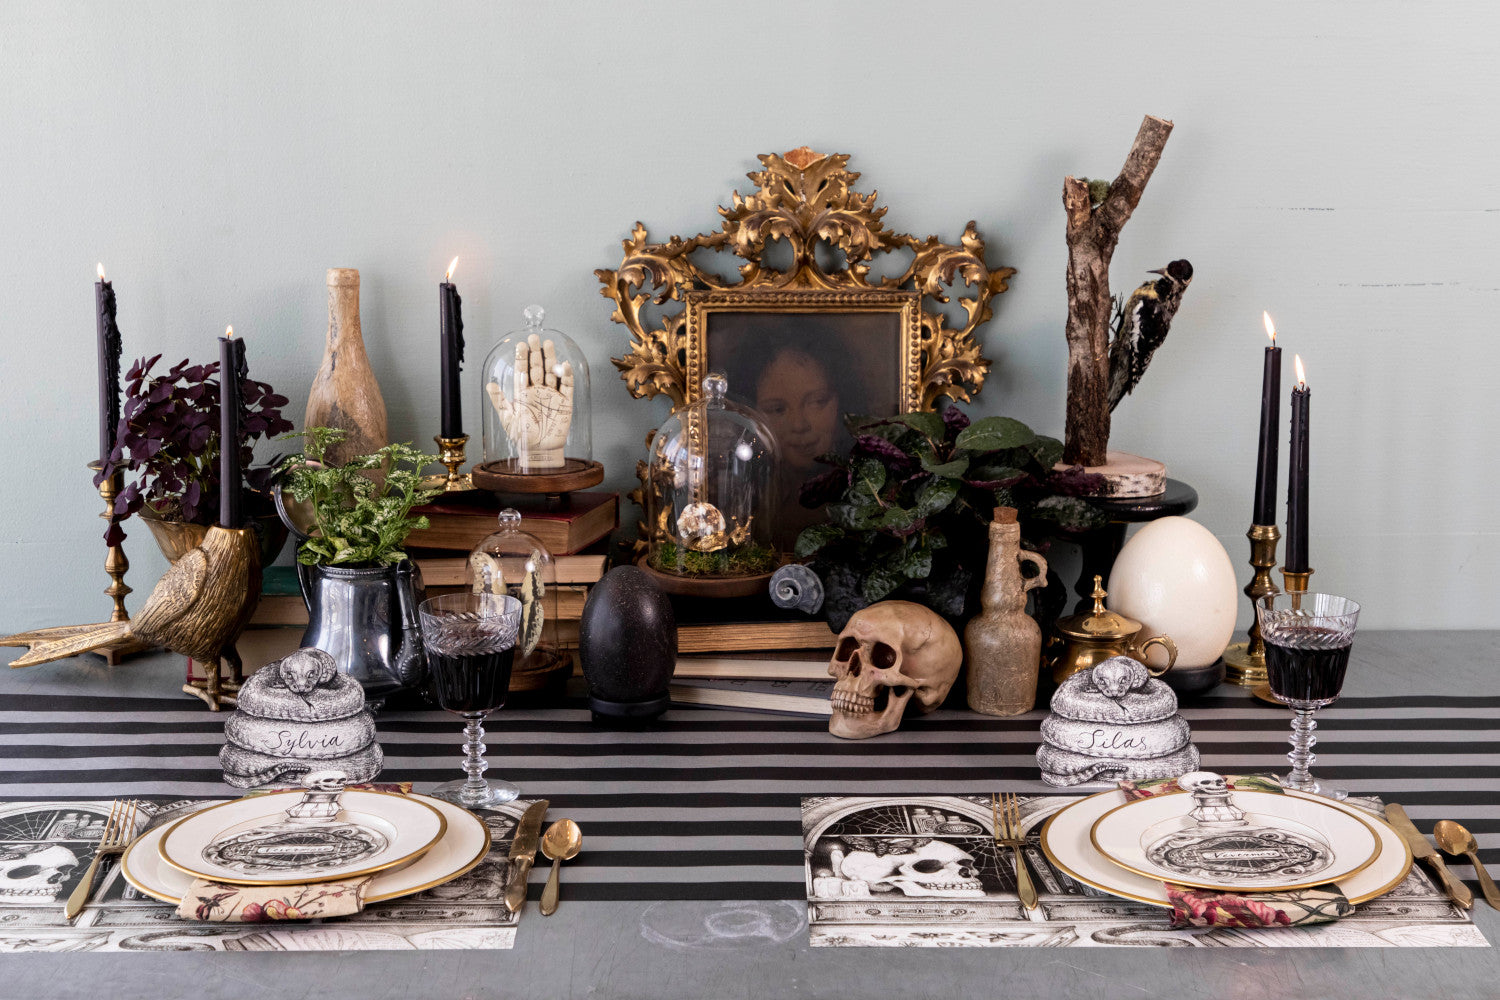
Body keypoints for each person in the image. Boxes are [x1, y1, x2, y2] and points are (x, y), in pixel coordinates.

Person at [723, 325, 869, 547]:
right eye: (777, 409)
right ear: (750, 416)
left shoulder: (870, 493)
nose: (800, 425)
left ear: (842, 400)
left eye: (818, 402)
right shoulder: (740, 503)